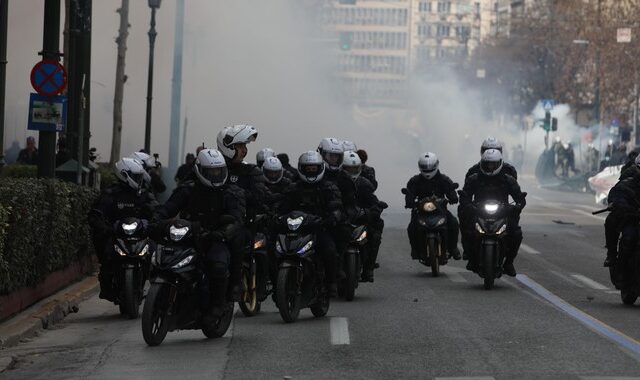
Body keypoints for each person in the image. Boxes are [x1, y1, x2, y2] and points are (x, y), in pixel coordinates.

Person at [154, 149, 245, 319]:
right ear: (200, 170)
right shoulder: (188, 189)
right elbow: (169, 208)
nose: (215, 174)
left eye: (218, 170)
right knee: (161, 258)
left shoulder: (231, 192)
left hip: (214, 238)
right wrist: (155, 219)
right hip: (187, 237)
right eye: (211, 171)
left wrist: (224, 232)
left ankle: (217, 305)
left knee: (217, 264)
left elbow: (237, 218)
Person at [88, 157, 157, 301]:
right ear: (124, 175)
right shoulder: (111, 194)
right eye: (135, 177)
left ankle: (157, 291)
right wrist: (104, 227)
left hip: (139, 236)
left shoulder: (142, 194)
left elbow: (156, 210)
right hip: (116, 236)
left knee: (154, 253)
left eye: (139, 177)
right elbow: (96, 213)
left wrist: (155, 221)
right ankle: (107, 287)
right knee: (107, 255)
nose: (138, 180)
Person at [277, 151, 343, 296]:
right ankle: (276, 285)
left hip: (319, 229)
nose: (311, 170)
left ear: (320, 168)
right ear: (301, 168)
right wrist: (276, 217)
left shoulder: (329, 188)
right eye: (308, 168)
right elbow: (281, 208)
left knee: (330, 250)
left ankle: (331, 282)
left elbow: (336, 205)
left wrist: (333, 217)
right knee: (275, 250)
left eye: (314, 168)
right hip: (296, 230)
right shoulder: (292, 188)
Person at [216, 124, 270, 300]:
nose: (244, 151)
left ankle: (236, 285)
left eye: (245, 147)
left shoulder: (251, 171)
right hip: (213, 223)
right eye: (240, 147)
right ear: (229, 147)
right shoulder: (212, 168)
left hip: (244, 224)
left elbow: (260, 196)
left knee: (240, 241)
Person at [459, 149, 526, 276]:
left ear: (499, 163)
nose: (490, 167)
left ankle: (509, 262)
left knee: (516, 233)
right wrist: (467, 205)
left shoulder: (508, 179)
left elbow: (519, 198)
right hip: (479, 212)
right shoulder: (474, 178)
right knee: (467, 230)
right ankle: (472, 258)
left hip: (502, 213)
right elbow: (465, 196)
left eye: (493, 164)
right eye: (488, 164)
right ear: (482, 163)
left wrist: (517, 206)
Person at [404, 152, 461, 261]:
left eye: (430, 167)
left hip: (441, 210)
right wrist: (409, 202)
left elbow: (451, 191)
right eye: (425, 167)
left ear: (436, 165)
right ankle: (415, 249)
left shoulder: (444, 179)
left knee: (454, 223)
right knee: (411, 227)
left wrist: (453, 197)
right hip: (420, 211)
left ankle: (453, 248)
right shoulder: (415, 181)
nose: (428, 170)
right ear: (420, 167)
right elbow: (409, 193)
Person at [341, 151, 384, 282]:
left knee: (375, 234)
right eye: (349, 168)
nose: (352, 171)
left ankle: (368, 268)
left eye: (355, 168)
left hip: (361, 218)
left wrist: (375, 209)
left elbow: (373, 200)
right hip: (341, 220)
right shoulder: (337, 182)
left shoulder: (364, 183)